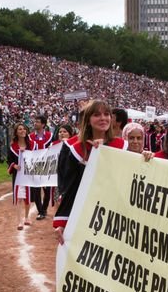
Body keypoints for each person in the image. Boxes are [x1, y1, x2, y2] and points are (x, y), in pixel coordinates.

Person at [54, 100, 126, 243]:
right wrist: (62, 222)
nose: (103, 118)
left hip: (114, 215)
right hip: (84, 214)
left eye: (107, 114)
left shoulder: (122, 146)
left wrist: (147, 156)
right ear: (88, 119)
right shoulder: (76, 149)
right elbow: (70, 189)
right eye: (97, 115)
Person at [8, 123, 33, 230]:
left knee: (27, 197)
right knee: (19, 197)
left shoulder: (32, 145)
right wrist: (14, 166)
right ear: (16, 132)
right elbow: (9, 161)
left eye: (24, 129)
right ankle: (19, 221)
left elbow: (37, 158)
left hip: (28, 175)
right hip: (18, 175)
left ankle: (27, 217)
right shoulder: (12, 147)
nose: (22, 131)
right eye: (20, 129)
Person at [29, 115, 53, 220]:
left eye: (38, 122)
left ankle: (44, 208)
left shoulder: (50, 136)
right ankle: (41, 211)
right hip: (35, 166)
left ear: (43, 124)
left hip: (47, 166)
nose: (35, 123)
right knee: (36, 190)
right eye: (35, 121)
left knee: (47, 191)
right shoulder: (30, 137)